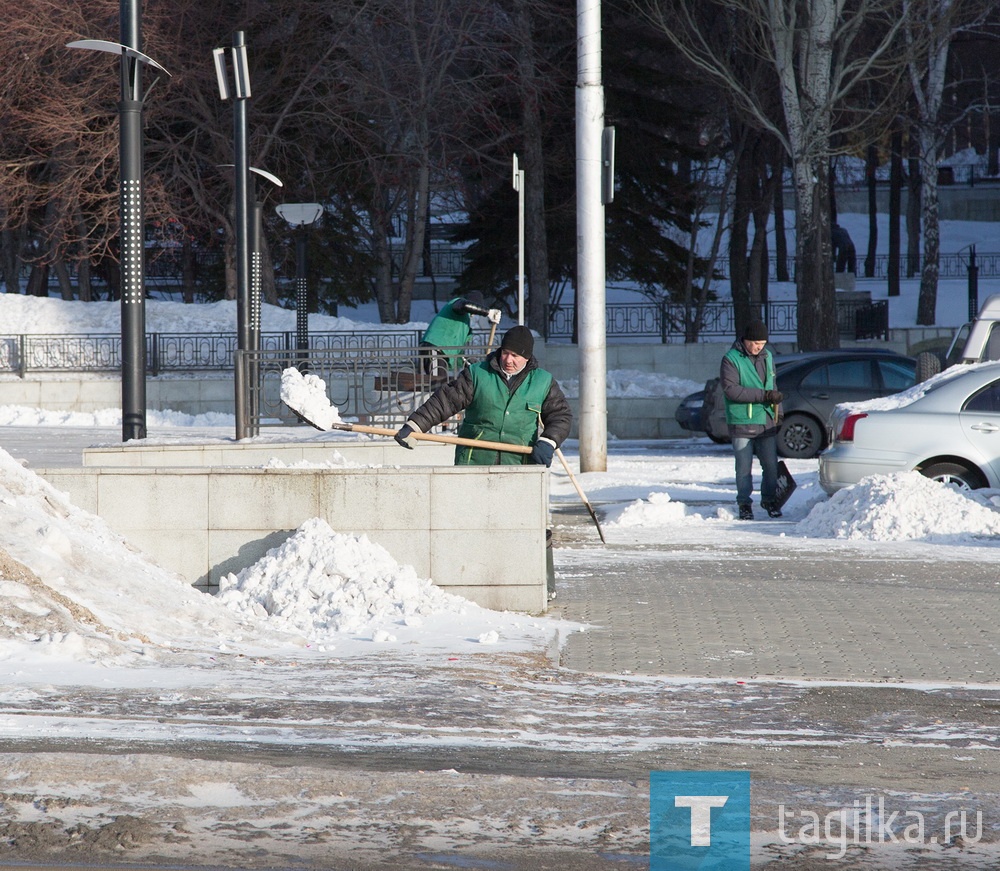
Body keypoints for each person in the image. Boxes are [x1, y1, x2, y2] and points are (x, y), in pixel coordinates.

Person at [395, 325, 572, 466]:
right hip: (474, 460)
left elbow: (561, 416)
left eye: (515, 355)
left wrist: (549, 441)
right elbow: (445, 402)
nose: (508, 360)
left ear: (527, 357)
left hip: (520, 463)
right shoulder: (477, 374)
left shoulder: (542, 381)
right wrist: (415, 426)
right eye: (505, 353)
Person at [720, 319, 783, 520]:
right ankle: (744, 504)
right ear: (746, 340)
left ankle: (769, 499)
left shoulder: (767, 356)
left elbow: (772, 385)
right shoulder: (731, 359)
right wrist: (764, 396)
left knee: (771, 466)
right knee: (744, 467)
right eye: (756, 343)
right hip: (742, 421)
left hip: (765, 419)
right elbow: (732, 391)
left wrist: (778, 411)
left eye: (763, 343)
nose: (759, 347)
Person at [418, 291, 502, 377]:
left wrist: (466, 362)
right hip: (434, 347)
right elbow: (465, 305)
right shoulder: (457, 304)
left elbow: (458, 348)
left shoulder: (463, 322)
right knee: (438, 382)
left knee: (441, 383)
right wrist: (488, 312)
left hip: (439, 351)